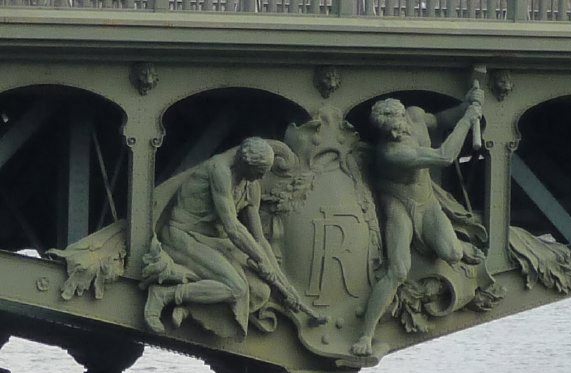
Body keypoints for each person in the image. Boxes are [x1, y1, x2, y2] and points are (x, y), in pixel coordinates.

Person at [351, 86, 485, 356]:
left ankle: (462, 246)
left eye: (397, 128)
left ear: (403, 116)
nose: (394, 134)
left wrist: (466, 105)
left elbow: (443, 120)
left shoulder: (416, 116)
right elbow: (445, 156)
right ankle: (366, 334)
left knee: (452, 252)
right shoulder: (391, 152)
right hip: (398, 202)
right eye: (388, 132)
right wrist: (468, 120)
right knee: (398, 270)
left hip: (427, 201)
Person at [142, 137, 318, 336]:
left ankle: (195, 306)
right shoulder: (219, 170)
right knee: (237, 288)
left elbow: (258, 238)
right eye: (258, 173)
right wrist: (261, 261)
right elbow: (233, 227)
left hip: (212, 241)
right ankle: (164, 295)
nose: (259, 179)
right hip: (182, 236)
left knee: (261, 291)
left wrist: (284, 284)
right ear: (245, 163)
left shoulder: (250, 184)